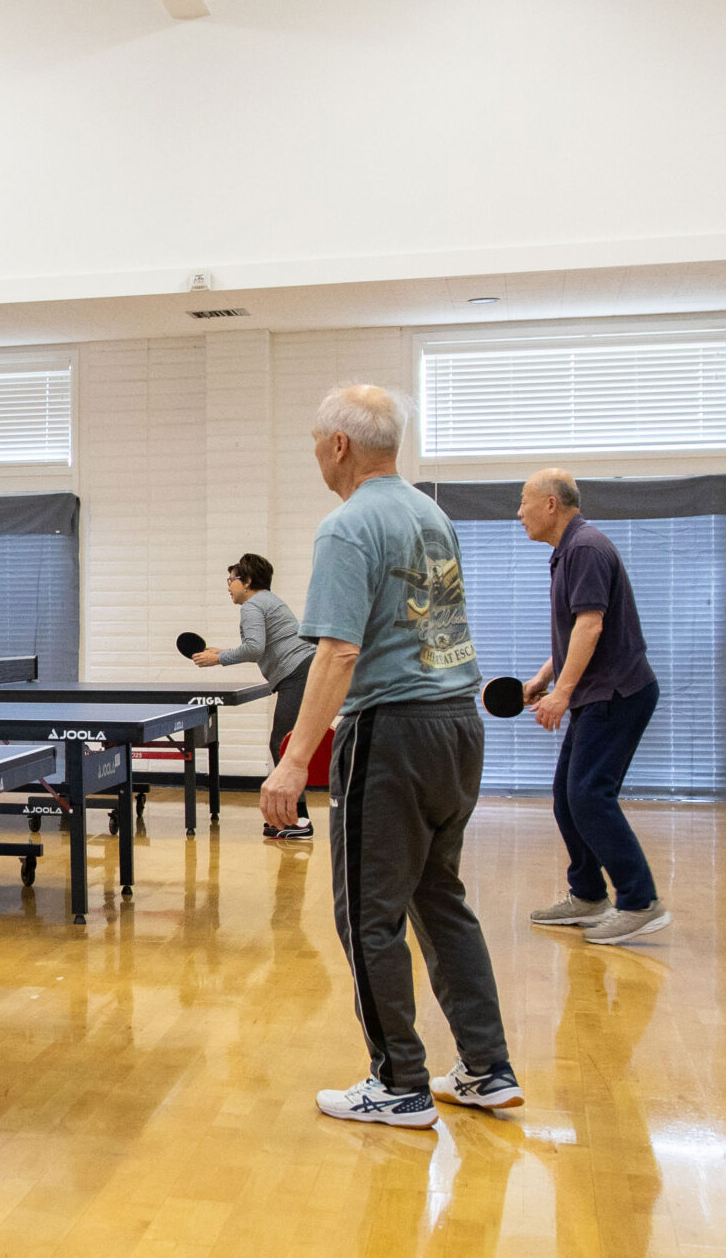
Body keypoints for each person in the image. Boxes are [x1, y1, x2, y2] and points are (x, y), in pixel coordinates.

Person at [260, 386, 521, 1128]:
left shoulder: (348, 526)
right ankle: (486, 1067)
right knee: (439, 898)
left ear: (339, 445)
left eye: (315, 441)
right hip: (456, 725)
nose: (315, 454)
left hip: (394, 733)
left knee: (366, 915)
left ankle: (399, 1082)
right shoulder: (430, 515)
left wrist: (292, 761)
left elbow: (339, 652)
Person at [517, 469, 668, 944]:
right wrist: (545, 678)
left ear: (550, 505)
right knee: (568, 795)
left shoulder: (583, 547)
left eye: (524, 501)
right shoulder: (570, 552)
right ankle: (587, 895)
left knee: (588, 795)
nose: (518, 512)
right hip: (598, 691)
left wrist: (561, 693)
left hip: (617, 693)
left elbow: (590, 625)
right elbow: (574, 628)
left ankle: (639, 900)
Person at [194, 552, 314, 839]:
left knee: (282, 744)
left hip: (298, 674)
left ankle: (300, 821)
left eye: (232, 579)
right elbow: (258, 645)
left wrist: (219, 659)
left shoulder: (251, 606)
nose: (228, 586)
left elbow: (253, 649)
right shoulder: (267, 601)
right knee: (284, 743)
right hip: (303, 672)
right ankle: (292, 817)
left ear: (247, 582)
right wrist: (220, 651)